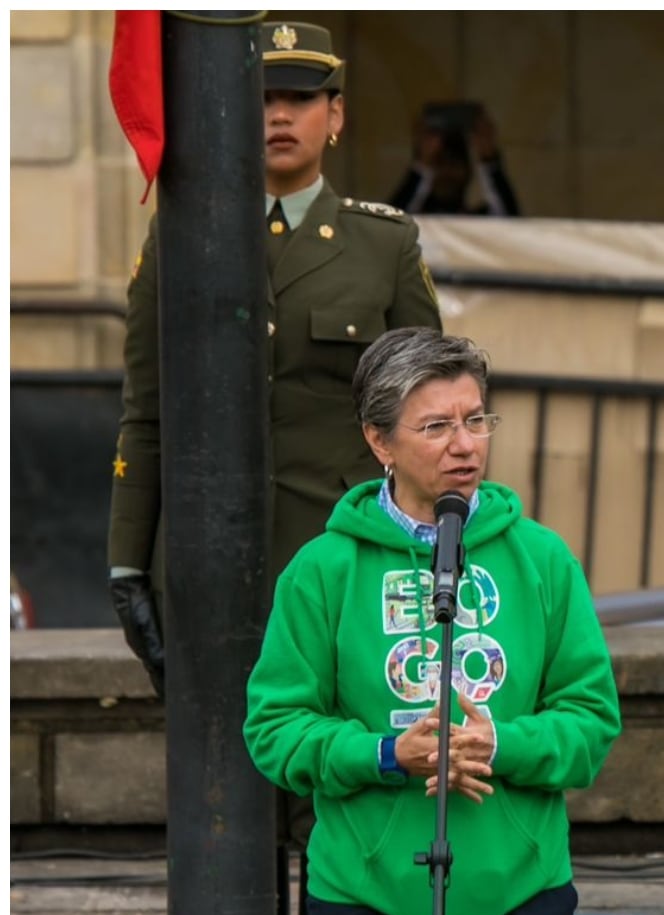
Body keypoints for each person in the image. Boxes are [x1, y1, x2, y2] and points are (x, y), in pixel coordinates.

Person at [244, 327, 619, 915]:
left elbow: (592, 718)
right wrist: (386, 753)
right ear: (379, 442)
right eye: (438, 426)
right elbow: (275, 729)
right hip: (367, 899)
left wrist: (501, 744)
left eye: (476, 419)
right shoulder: (324, 571)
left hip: (520, 897)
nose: (465, 444)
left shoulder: (541, 559)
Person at [108, 19, 442, 697]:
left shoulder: (383, 245)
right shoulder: (179, 237)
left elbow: (432, 417)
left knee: (331, 777)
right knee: (217, 785)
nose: (280, 115)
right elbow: (147, 414)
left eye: (301, 98)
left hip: (346, 557)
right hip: (205, 571)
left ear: (336, 113)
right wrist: (127, 565)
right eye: (259, 98)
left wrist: (440, 549)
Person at [388, 104, 521, 216]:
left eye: (455, 164)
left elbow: (510, 221)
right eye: (440, 163)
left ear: (468, 171)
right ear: (430, 170)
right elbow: (391, 225)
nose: (447, 172)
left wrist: (488, 158)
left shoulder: (479, 223)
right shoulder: (414, 220)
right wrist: (421, 165)